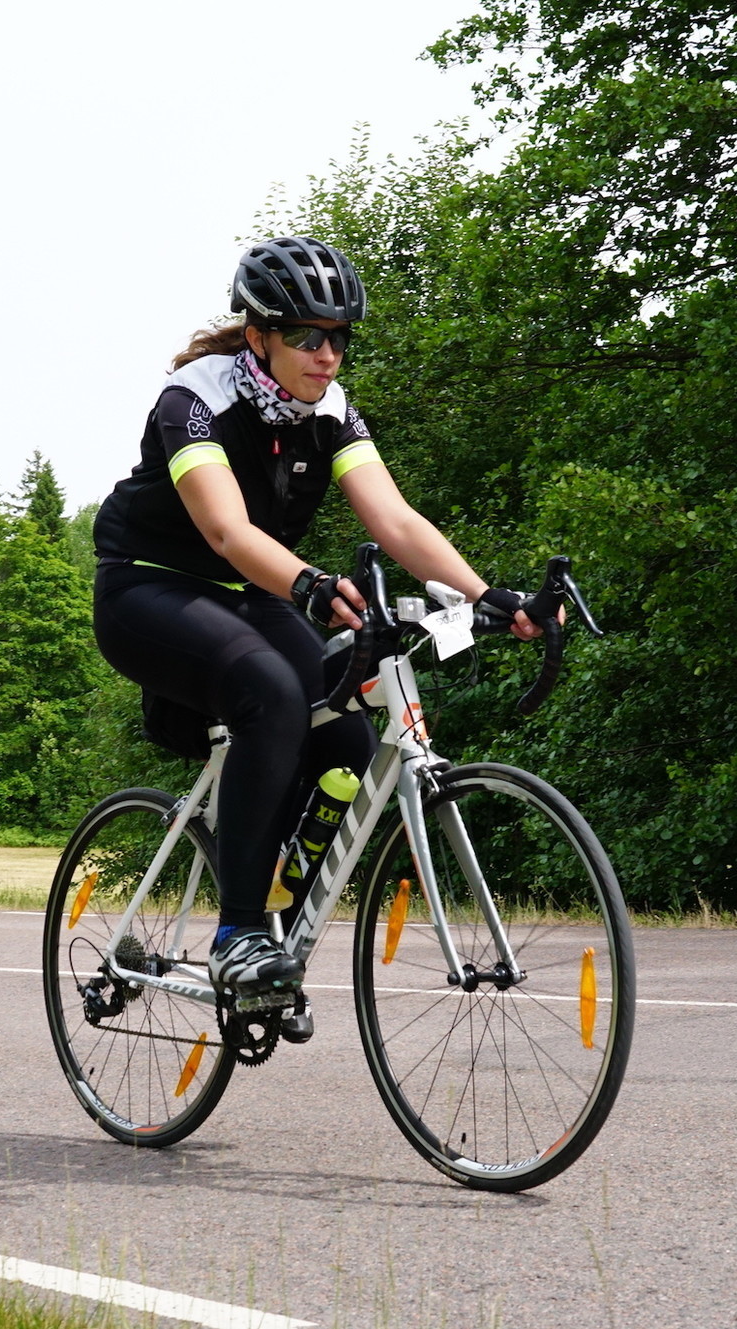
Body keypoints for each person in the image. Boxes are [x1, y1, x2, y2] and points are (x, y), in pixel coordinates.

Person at [91, 236, 547, 1004]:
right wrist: (308, 583)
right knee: (271, 693)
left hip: (252, 594)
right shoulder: (195, 399)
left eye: (339, 337)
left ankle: (278, 917)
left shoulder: (329, 411)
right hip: (150, 587)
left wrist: (484, 593)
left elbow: (396, 520)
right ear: (259, 335)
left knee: (347, 735)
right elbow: (226, 531)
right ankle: (238, 935)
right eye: (307, 335)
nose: (327, 353)